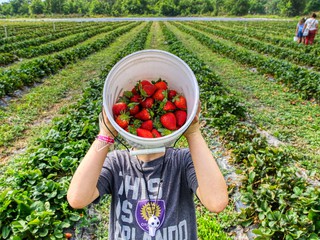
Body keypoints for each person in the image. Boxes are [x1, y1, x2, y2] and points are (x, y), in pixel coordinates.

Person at [67, 104, 229, 239]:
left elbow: (216, 201)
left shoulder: (183, 161)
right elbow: (77, 199)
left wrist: (193, 132)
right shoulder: (116, 163)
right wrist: (105, 134)